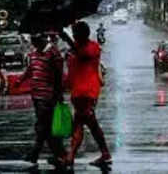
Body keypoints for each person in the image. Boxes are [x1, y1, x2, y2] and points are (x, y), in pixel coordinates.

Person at [59, 21, 112, 167]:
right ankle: (103, 153)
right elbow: (71, 72)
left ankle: (72, 156)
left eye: (76, 34)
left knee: (84, 123)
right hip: (77, 93)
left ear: (83, 35)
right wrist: (64, 86)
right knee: (85, 123)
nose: (75, 36)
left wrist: (67, 39)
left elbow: (83, 55)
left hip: (88, 92)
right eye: (74, 34)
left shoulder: (93, 47)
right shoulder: (72, 51)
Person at [14, 33, 66, 167]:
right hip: (36, 96)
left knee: (42, 126)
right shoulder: (34, 53)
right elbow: (31, 69)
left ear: (43, 40)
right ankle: (59, 155)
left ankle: (36, 153)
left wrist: (58, 94)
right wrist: (20, 80)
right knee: (46, 127)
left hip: (47, 96)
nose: (34, 44)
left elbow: (59, 76)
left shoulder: (53, 54)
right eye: (33, 42)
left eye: (36, 41)